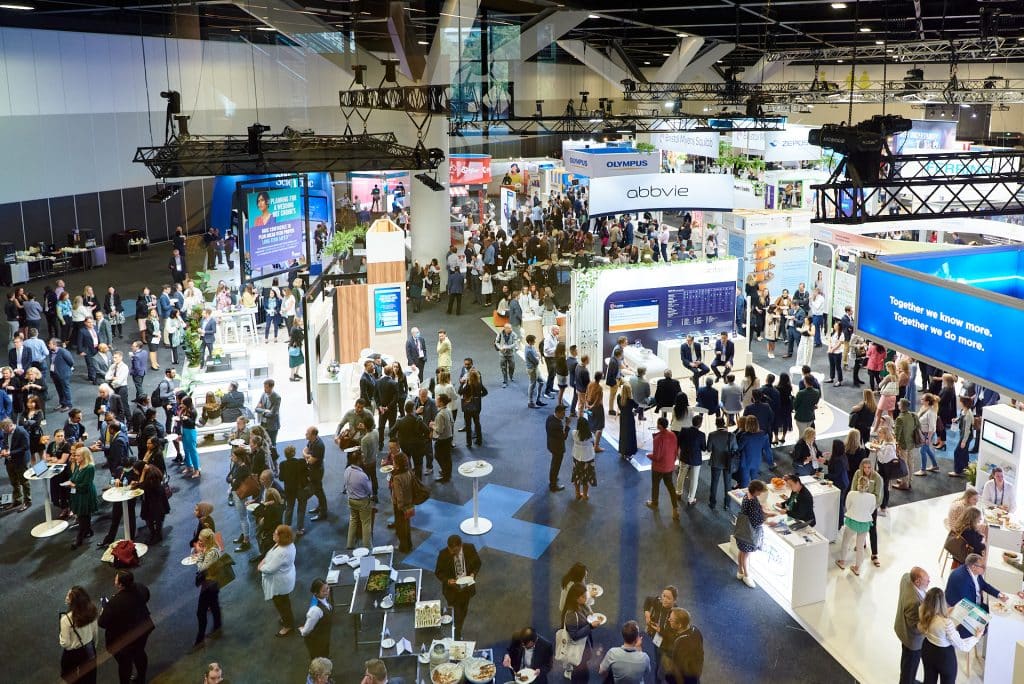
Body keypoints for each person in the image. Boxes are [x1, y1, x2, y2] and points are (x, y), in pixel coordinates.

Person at [98, 570, 153, 684]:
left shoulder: (114, 603)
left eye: (116, 579)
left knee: (124, 663)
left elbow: (102, 623)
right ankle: (141, 678)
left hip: (124, 638)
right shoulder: (140, 588)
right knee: (140, 653)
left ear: (120, 585)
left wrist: (104, 610)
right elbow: (146, 597)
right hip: (143, 628)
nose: (114, 580)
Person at [920, 586, 983, 684]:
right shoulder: (946, 623)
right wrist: (977, 637)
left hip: (927, 649)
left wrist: (946, 613)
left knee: (929, 680)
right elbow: (963, 646)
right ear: (942, 602)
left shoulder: (922, 611)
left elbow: (935, 621)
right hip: (944, 657)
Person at [435, 534, 481, 639]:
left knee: (464, 610)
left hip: (467, 588)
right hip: (452, 591)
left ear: (460, 546)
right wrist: (447, 580)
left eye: (454, 551)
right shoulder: (443, 554)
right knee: (456, 614)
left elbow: (478, 563)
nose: (452, 553)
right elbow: (438, 572)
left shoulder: (470, 548)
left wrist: (473, 574)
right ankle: (456, 634)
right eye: (450, 550)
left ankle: (458, 629)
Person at [736, 480, 776, 588]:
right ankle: (747, 576)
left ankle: (740, 571)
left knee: (742, 551)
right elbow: (756, 521)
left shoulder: (746, 496)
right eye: (759, 492)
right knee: (746, 554)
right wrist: (767, 520)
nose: (760, 494)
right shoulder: (752, 502)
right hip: (749, 533)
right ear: (756, 490)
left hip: (742, 531)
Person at [258, 524, 297, 637]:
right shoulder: (286, 544)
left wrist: (260, 567)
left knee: (281, 604)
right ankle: (287, 619)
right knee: (284, 602)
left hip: (280, 583)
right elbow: (270, 555)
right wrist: (265, 560)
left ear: (282, 537)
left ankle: (288, 626)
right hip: (284, 578)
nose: (273, 534)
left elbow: (270, 569)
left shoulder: (282, 552)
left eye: (275, 533)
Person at [835, 477, 877, 576]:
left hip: (852, 521)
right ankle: (857, 568)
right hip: (864, 523)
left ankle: (842, 561)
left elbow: (847, 506)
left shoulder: (851, 494)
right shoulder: (872, 497)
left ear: (858, 484)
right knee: (860, 546)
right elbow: (871, 510)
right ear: (868, 486)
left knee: (846, 541)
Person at [60, 585, 99, 684]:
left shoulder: (66, 619)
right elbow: (95, 632)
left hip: (73, 652)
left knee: (69, 675)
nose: (66, 597)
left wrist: (60, 636)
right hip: (89, 648)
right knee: (90, 676)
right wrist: (94, 645)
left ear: (73, 602)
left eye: (68, 596)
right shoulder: (92, 610)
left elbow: (65, 643)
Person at [561, 582, 597, 684]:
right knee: (581, 678)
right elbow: (574, 636)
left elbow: (587, 604)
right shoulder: (571, 614)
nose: (586, 597)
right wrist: (590, 626)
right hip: (577, 653)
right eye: (583, 596)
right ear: (576, 598)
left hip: (582, 650)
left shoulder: (580, 605)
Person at [192, 528, 223, 648]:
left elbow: (202, 568)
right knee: (214, 605)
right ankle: (217, 627)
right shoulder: (212, 549)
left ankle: (200, 639)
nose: (199, 542)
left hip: (209, 584)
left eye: (201, 540)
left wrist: (200, 555)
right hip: (213, 583)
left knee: (201, 612)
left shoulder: (211, 553)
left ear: (207, 540)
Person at [646, 417, 680, 520]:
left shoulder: (658, 438)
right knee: (671, 487)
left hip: (658, 468)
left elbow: (657, 457)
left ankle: (654, 503)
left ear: (659, 425)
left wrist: (648, 455)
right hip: (669, 466)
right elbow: (676, 450)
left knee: (655, 485)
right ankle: (675, 509)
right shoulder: (673, 435)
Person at [663, 607, 704, 684]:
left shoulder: (680, 642)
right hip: (696, 671)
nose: (668, 620)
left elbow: (677, 667)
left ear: (680, 625)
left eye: (671, 619)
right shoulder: (696, 630)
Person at [344, 449, 373, 548]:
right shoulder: (362, 475)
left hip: (351, 500)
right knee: (366, 524)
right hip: (362, 502)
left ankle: (350, 545)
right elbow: (369, 491)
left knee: (353, 521)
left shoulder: (347, 470)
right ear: (358, 461)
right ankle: (367, 547)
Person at [299, 578, 333, 661]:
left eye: (327, 588)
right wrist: (302, 630)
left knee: (324, 655)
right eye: (324, 591)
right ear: (315, 593)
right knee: (318, 660)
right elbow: (306, 631)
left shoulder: (324, 598)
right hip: (316, 641)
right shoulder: (315, 610)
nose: (327, 592)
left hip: (324, 636)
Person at [676, 415, 706, 506]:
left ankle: (678, 492)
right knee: (694, 479)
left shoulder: (684, 430)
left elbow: (679, 442)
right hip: (696, 459)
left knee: (681, 474)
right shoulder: (701, 435)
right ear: (700, 424)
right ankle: (691, 499)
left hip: (684, 457)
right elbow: (704, 448)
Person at [390, 452, 415, 552]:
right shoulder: (409, 472)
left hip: (400, 506)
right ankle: (409, 544)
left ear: (398, 464)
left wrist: (400, 506)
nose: (393, 463)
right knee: (407, 526)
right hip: (409, 502)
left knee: (401, 528)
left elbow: (399, 494)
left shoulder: (397, 477)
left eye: (394, 462)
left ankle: (403, 547)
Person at [303, 426, 328, 522]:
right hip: (313, 470)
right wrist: (307, 455)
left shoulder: (319, 445)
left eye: (307, 433)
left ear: (313, 435)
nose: (305, 434)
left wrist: (307, 456)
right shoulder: (312, 441)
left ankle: (323, 512)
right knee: (318, 491)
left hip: (317, 472)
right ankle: (320, 507)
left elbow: (311, 461)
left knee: (319, 491)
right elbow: (305, 451)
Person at [571, 416, 597, 501]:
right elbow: (594, 442)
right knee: (586, 478)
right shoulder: (590, 436)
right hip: (588, 459)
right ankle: (585, 495)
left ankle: (577, 494)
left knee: (577, 476)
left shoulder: (574, 433)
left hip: (577, 458)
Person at [546, 404, 570, 492]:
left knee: (554, 463)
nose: (564, 415)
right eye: (563, 413)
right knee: (556, 465)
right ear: (558, 413)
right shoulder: (557, 425)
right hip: (557, 448)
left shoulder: (550, 417)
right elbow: (564, 437)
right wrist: (567, 426)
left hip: (551, 444)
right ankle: (553, 484)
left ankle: (553, 478)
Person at [255, 379, 281, 447]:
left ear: (271, 387)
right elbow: (256, 409)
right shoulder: (263, 394)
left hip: (272, 425)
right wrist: (265, 411)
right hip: (263, 424)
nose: (264, 389)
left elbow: (272, 414)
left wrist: (262, 412)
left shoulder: (277, 397)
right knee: (263, 443)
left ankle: (273, 456)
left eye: (266, 387)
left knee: (272, 444)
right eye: (264, 387)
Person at [617, 382, 639, 461]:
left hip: (622, 417)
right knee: (630, 436)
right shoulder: (630, 400)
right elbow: (637, 406)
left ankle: (623, 451)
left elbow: (620, 408)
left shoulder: (619, 397)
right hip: (629, 418)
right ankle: (628, 453)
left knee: (623, 435)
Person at [495, 323, 518, 387]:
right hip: (502, 354)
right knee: (503, 368)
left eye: (511, 328)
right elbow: (496, 342)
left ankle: (511, 375)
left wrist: (507, 347)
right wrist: (500, 348)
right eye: (509, 328)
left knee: (512, 366)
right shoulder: (500, 334)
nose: (511, 329)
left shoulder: (514, 334)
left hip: (511, 354)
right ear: (505, 329)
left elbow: (515, 344)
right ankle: (505, 381)